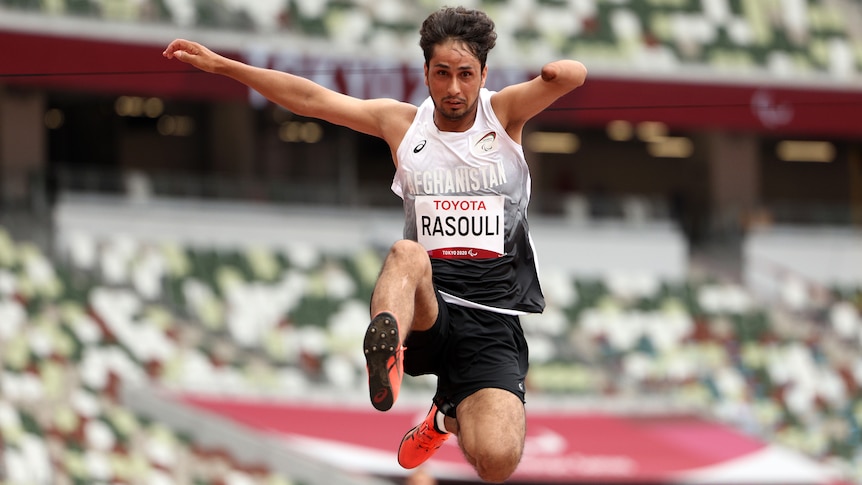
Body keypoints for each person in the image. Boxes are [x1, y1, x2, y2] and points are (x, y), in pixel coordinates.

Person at [164, 6, 586, 483]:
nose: (453, 88)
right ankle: (385, 347)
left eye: (465, 75)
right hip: (427, 306)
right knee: (407, 254)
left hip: (492, 321)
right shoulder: (401, 124)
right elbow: (309, 98)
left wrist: (553, 74)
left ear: (483, 74)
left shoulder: (504, 114)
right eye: (442, 73)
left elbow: (574, 75)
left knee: (496, 463)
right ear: (425, 71)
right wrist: (225, 66)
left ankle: (443, 418)